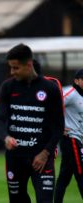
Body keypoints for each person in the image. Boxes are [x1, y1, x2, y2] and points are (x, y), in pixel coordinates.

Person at [0, 44, 64, 203]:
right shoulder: (7, 87)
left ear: (29, 64)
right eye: (10, 68)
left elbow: (58, 127)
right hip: (15, 158)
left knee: (45, 199)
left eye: (16, 68)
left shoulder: (50, 89)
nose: (12, 72)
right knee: (17, 199)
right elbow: (0, 119)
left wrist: (45, 153)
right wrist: (5, 137)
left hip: (41, 158)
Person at [54, 69, 83, 203]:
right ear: (77, 81)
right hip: (71, 139)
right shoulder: (70, 94)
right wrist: (58, 128)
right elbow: (51, 107)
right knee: (81, 174)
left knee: (65, 176)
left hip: (77, 140)